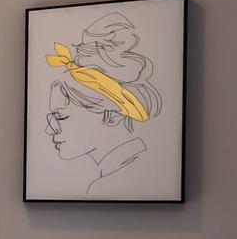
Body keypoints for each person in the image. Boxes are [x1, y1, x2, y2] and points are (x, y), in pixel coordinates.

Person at [43, 12, 161, 195]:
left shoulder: (110, 186)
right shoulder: (121, 172)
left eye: (61, 116)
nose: (50, 129)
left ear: (113, 115)